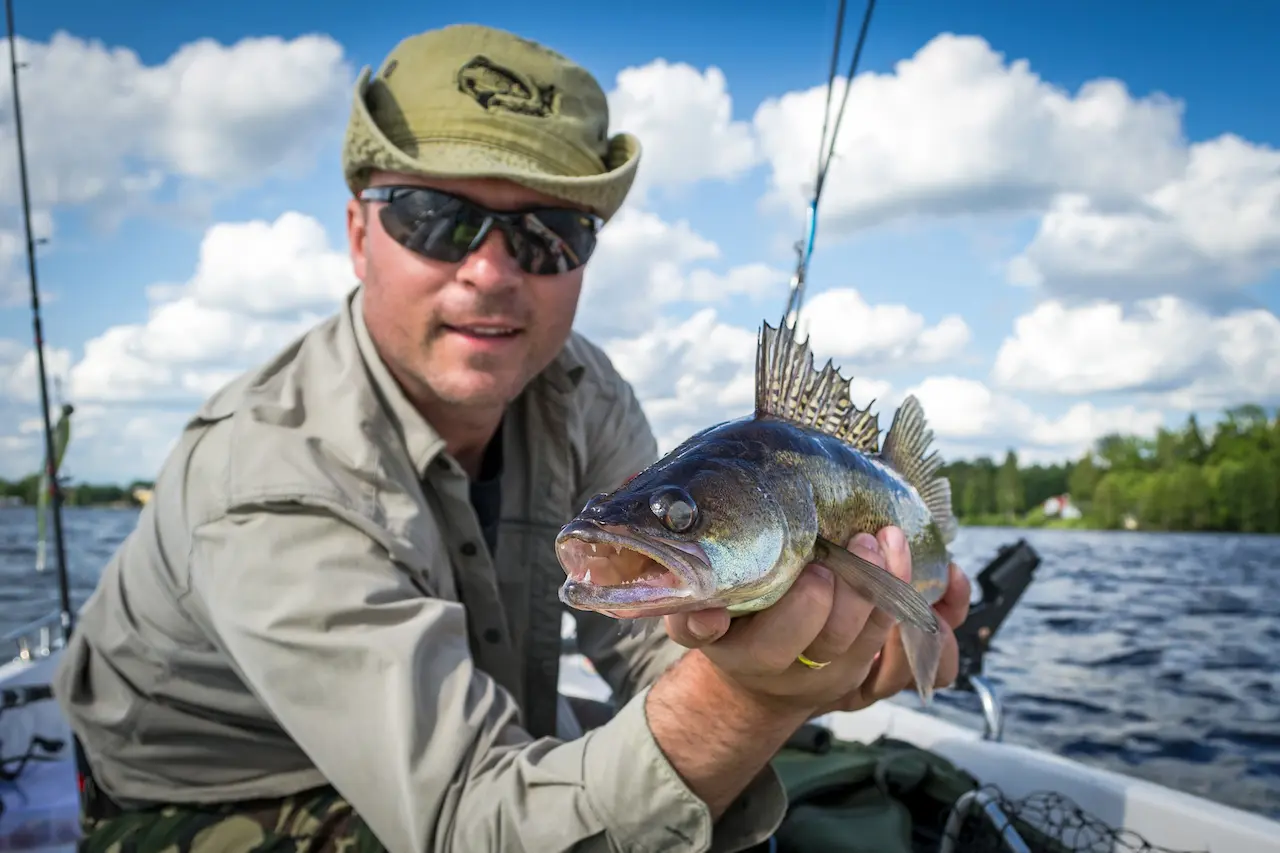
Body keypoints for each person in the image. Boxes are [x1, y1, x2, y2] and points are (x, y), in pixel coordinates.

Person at [52, 22, 971, 853]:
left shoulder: (581, 389)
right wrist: (744, 700)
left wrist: (799, 657)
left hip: (471, 756)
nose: (491, 272)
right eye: (434, 217)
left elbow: (665, 645)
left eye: (549, 233)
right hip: (218, 805)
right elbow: (470, 829)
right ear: (357, 231)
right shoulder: (271, 477)